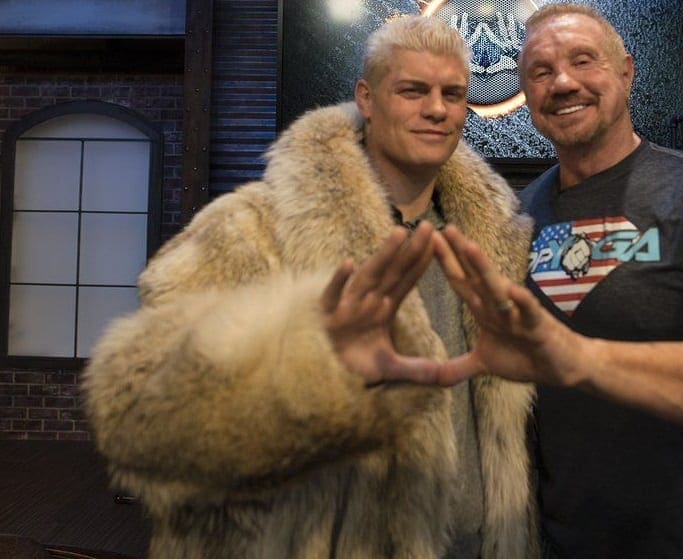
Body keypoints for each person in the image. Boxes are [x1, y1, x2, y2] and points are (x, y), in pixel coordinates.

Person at [82, 16, 535, 559]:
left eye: (453, 94)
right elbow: (136, 412)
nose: (437, 109)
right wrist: (314, 374)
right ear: (367, 99)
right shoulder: (254, 227)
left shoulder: (494, 240)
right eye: (413, 90)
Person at [429, 4, 683, 558]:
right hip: (564, 544)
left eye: (583, 60)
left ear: (626, 72)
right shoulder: (516, 217)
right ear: (524, 91)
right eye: (540, 71)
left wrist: (577, 358)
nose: (563, 82)